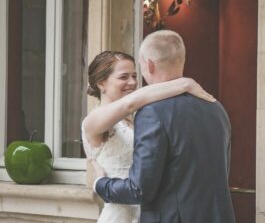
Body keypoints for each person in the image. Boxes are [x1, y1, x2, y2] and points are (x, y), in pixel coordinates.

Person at [91, 30, 236, 223]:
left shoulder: (152, 112)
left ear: (149, 65)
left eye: (138, 70)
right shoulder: (215, 107)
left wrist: (101, 184)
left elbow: (140, 189)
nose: (134, 81)